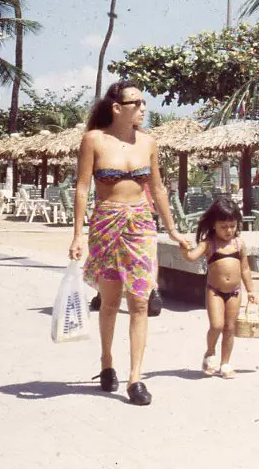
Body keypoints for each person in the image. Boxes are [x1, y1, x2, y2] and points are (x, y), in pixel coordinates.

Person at [68, 80, 193, 406]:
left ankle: (135, 378)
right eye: (136, 103)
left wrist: (173, 231)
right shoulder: (94, 140)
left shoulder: (149, 143)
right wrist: (78, 234)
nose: (142, 109)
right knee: (110, 301)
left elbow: (159, 189)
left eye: (143, 103)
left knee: (139, 302)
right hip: (106, 223)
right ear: (117, 108)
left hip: (141, 226)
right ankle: (107, 362)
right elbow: (82, 189)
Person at [180, 197, 258, 379]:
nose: (229, 230)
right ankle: (209, 352)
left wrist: (251, 291)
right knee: (216, 325)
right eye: (224, 226)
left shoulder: (239, 244)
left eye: (232, 225)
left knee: (230, 328)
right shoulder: (209, 243)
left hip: (235, 291)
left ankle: (226, 364)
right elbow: (192, 257)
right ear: (213, 225)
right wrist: (184, 250)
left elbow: (245, 268)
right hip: (214, 290)